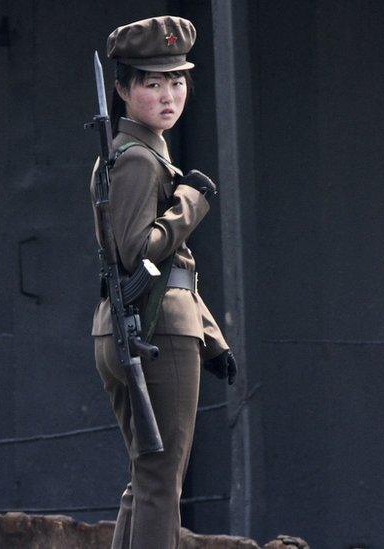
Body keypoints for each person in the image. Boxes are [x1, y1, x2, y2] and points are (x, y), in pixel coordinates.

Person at [89, 15, 238, 549]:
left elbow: (175, 266)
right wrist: (191, 203)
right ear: (124, 89)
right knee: (160, 484)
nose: (169, 95)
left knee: (146, 478)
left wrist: (213, 338)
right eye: (152, 83)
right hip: (154, 332)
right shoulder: (138, 161)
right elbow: (139, 253)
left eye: (177, 81)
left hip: (137, 327)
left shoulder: (139, 152)